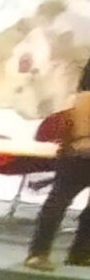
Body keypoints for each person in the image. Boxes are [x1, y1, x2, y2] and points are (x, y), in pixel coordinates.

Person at [23, 70, 90, 269]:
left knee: (63, 203)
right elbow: (83, 103)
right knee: (58, 202)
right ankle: (44, 253)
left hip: (77, 151)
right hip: (79, 153)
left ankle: (77, 253)